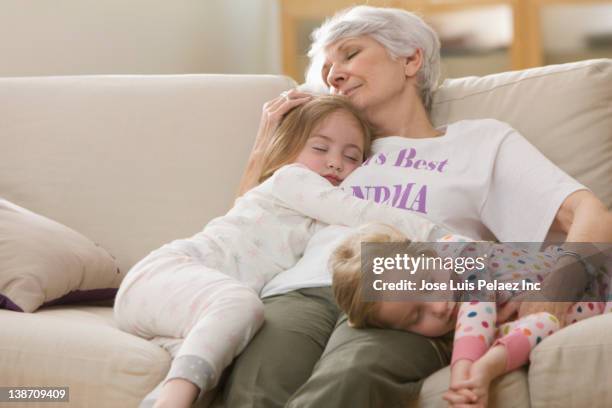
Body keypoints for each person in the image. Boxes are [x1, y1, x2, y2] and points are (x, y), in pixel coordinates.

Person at [224, 5, 612, 408]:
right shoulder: (336, 149)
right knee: (257, 384)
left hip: (407, 280)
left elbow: (591, 216)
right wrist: (265, 147)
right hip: (300, 283)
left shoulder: (479, 142)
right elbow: (248, 225)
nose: (333, 74)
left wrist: (556, 289)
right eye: (326, 68)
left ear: (411, 59)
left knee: (350, 377)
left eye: (350, 54)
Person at [113, 95, 451, 408]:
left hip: (203, 302)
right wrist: (443, 237)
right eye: (320, 148)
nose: (336, 164)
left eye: (352, 157)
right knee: (240, 314)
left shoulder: (481, 144)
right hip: (176, 273)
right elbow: (353, 210)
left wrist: (487, 266)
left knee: (218, 363)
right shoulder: (293, 180)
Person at [330, 222, 612, 407]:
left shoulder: (462, 254)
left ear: (429, 255)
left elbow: (479, 301)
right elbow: (543, 324)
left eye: (428, 284)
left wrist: (464, 372)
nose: (439, 307)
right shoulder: (464, 335)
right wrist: (486, 368)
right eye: (415, 317)